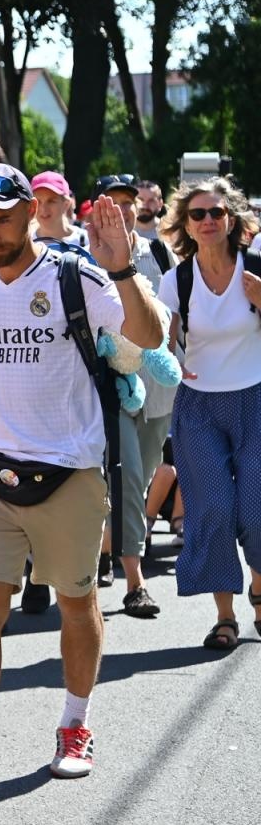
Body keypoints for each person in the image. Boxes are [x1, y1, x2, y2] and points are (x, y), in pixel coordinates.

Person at [0, 164, 161, 799]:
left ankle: (74, 725)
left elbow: (150, 338)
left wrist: (126, 269)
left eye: (1, 220)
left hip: (70, 474)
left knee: (77, 604)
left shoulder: (78, 275)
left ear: (29, 213)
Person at [153, 177, 261, 650]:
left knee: (256, 511)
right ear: (186, 226)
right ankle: (225, 617)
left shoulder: (255, 269)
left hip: (255, 399)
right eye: (198, 215)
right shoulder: (176, 279)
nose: (208, 221)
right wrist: (169, 356)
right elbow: (158, 335)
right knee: (213, 509)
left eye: (217, 213)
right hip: (198, 406)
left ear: (232, 219)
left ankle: (259, 588)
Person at [94, 178, 176, 615]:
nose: (124, 210)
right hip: (111, 386)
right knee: (125, 476)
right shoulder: (84, 256)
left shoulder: (160, 252)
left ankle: (108, 544)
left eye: (129, 203)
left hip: (159, 386)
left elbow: (178, 311)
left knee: (141, 476)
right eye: (114, 203)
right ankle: (135, 581)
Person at [31, 170, 89, 246]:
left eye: (51, 201)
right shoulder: (26, 244)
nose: (43, 209)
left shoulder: (86, 241)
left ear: (66, 204)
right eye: (38, 202)